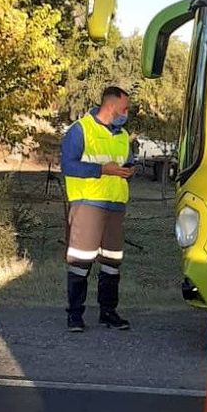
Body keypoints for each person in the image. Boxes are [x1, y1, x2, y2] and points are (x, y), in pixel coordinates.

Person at [61, 86, 136, 332]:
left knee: (112, 262)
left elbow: (128, 162)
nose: (127, 112)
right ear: (111, 106)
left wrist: (129, 170)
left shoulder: (123, 135)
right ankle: (74, 315)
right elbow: (68, 166)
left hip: (115, 206)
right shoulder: (81, 130)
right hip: (88, 205)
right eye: (125, 107)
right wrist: (103, 170)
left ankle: (108, 313)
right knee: (81, 262)